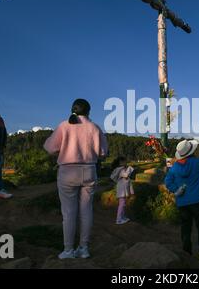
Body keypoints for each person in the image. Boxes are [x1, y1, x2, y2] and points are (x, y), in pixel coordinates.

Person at [44, 99, 108, 259]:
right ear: (88, 111)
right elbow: (103, 153)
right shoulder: (94, 127)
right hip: (89, 171)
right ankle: (84, 248)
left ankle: (68, 250)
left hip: (67, 172)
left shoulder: (64, 125)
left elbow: (50, 148)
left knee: (69, 213)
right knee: (87, 211)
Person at [164, 139, 199, 262]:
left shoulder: (174, 168)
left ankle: (186, 253)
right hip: (198, 201)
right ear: (191, 152)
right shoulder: (197, 163)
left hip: (183, 202)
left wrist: (176, 189)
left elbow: (167, 181)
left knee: (185, 228)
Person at [110, 156, 135, 225]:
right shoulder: (120, 169)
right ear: (120, 162)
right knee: (122, 204)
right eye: (124, 161)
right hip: (121, 190)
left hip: (123, 189)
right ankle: (118, 219)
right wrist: (130, 168)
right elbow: (126, 175)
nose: (126, 162)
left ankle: (122, 217)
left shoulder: (122, 169)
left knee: (123, 204)